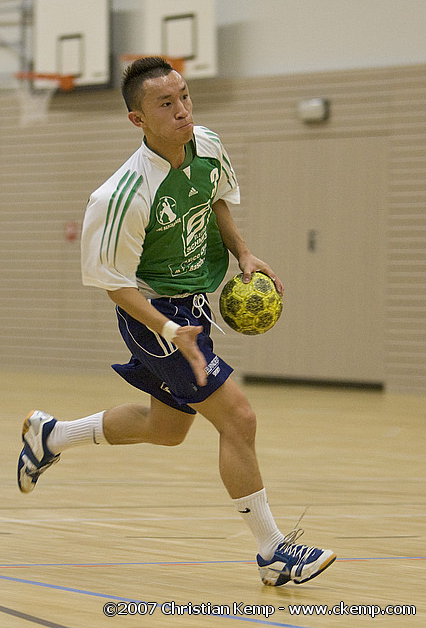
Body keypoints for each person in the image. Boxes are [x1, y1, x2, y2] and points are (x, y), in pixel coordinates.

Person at [17, 57, 336, 586]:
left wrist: (243, 252)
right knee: (238, 418)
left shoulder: (207, 145)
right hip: (153, 315)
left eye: (184, 96)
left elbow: (216, 202)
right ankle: (273, 552)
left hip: (193, 308)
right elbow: (114, 285)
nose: (183, 110)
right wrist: (169, 331)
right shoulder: (121, 195)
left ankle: (52, 436)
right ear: (138, 119)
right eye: (166, 104)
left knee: (166, 430)